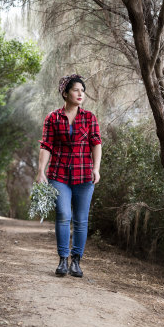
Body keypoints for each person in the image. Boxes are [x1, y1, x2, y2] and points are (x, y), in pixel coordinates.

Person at [36, 74, 102, 278]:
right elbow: (46, 145)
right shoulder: (53, 118)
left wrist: (96, 168)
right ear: (65, 93)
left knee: (81, 220)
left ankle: (76, 262)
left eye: (82, 90)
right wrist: (41, 171)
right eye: (76, 90)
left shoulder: (89, 117)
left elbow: (96, 143)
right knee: (64, 215)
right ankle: (63, 260)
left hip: (84, 176)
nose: (80, 93)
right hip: (59, 174)